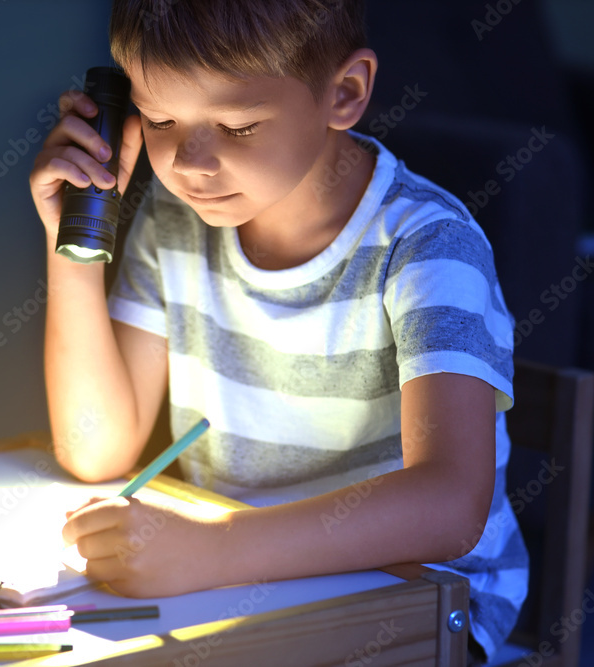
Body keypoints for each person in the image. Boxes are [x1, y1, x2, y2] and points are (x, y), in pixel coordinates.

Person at [28, 0, 527, 661]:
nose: (191, 162)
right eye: (161, 118)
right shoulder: (177, 223)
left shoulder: (429, 247)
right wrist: (70, 239)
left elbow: (449, 507)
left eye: (237, 126)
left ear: (343, 93)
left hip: (421, 603)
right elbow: (96, 450)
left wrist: (216, 549)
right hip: (239, 587)